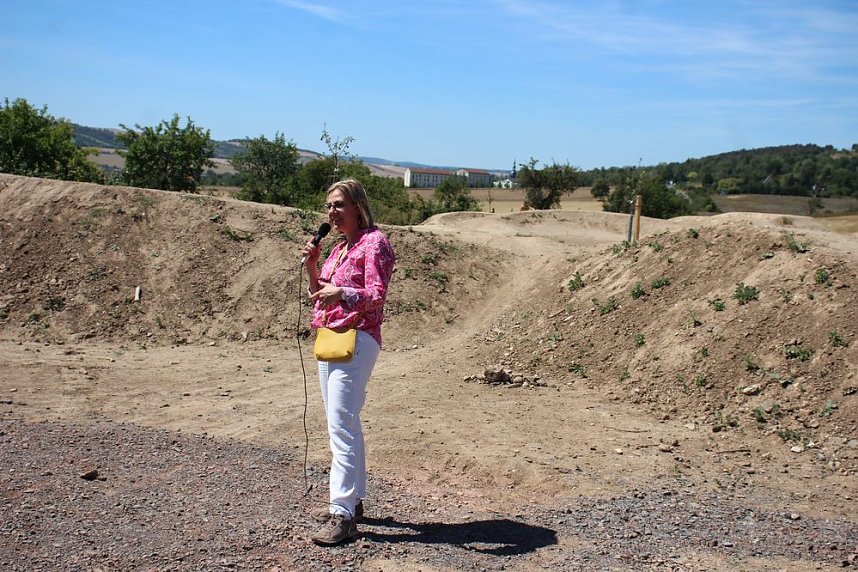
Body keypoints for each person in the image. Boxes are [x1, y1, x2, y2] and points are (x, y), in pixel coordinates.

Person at [301, 179, 395, 546]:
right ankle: (353, 500)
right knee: (344, 423)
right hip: (332, 338)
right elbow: (317, 295)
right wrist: (313, 265)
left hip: (359, 338)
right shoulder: (339, 249)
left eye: (339, 205)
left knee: (341, 425)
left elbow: (377, 294)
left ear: (357, 206)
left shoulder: (376, 243)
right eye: (328, 206)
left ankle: (340, 513)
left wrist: (344, 293)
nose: (332, 212)